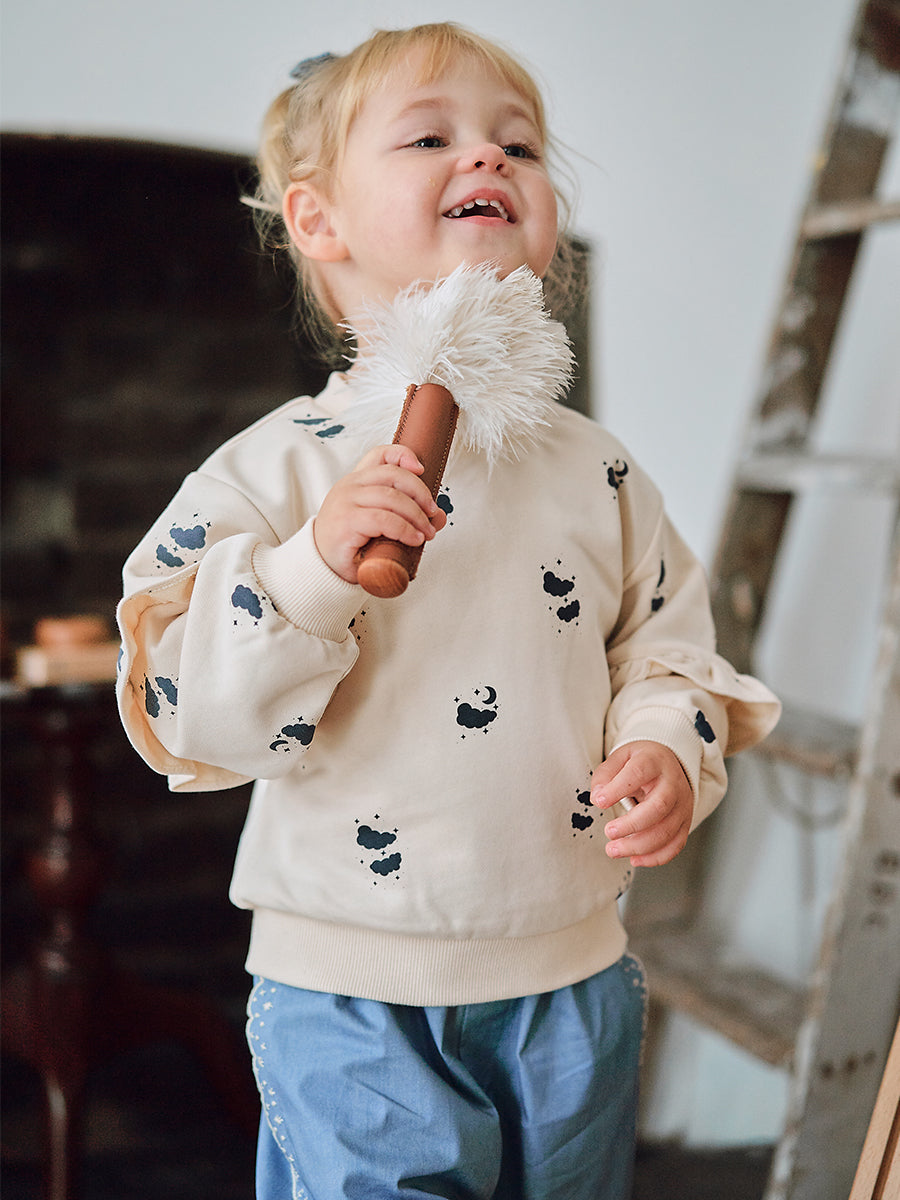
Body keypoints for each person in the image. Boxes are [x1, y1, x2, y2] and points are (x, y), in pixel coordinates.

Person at [116, 22, 780, 1200]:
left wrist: (666, 744)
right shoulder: (275, 470)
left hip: (571, 973)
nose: (487, 158)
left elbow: (669, 649)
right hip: (350, 988)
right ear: (319, 221)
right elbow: (189, 705)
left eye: (518, 144)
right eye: (430, 138)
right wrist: (312, 569)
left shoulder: (597, 471)